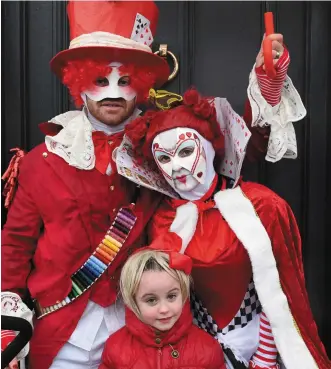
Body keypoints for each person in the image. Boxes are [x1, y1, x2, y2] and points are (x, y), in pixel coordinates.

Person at [0, 1, 300, 368]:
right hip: (64, 332)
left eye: (124, 81)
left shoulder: (166, 141)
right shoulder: (42, 159)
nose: (112, 92)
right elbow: (13, 248)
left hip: (149, 326)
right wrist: (8, 331)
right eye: (100, 80)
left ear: (140, 82)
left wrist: (268, 84)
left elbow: (240, 148)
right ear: (79, 81)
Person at [121, 89, 330, 369]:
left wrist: (266, 358)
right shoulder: (161, 216)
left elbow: (280, 288)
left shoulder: (261, 205)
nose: (177, 167)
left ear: (209, 148)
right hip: (192, 354)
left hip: (260, 345)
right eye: (165, 158)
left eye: (185, 151)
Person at [99, 247, 226, 369]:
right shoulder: (115, 349)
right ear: (133, 302)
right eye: (151, 300)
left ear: (183, 294)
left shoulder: (208, 348)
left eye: (171, 296)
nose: (164, 309)